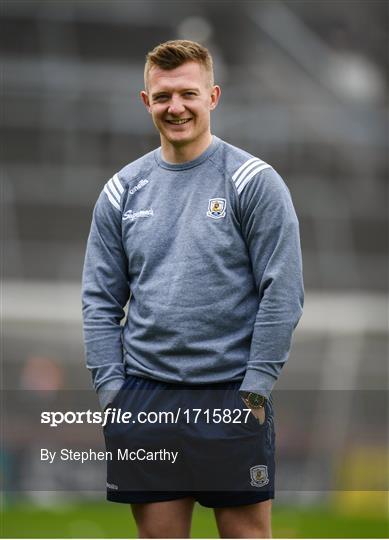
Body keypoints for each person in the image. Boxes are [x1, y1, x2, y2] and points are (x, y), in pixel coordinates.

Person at [82, 39, 304, 538]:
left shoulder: (253, 182)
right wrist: (112, 391)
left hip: (230, 394)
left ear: (213, 96)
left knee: (247, 535)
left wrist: (254, 389)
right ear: (146, 102)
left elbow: (283, 293)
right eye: (162, 97)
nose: (175, 107)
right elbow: (99, 299)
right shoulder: (122, 189)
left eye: (188, 94)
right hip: (144, 397)